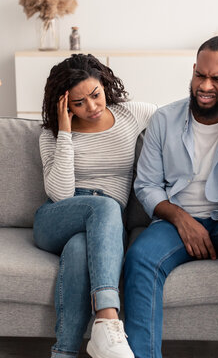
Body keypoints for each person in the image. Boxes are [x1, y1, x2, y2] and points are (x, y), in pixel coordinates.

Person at [124, 36, 218, 358]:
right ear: (193, 71)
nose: (204, 86)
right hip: (176, 220)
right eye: (199, 75)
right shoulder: (164, 120)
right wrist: (182, 220)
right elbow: (147, 186)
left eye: (217, 78)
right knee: (140, 258)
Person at [33, 53, 157, 358]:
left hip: (103, 226)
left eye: (95, 95)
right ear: (64, 105)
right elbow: (61, 194)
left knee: (78, 249)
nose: (91, 107)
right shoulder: (50, 135)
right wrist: (64, 131)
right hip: (57, 218)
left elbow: (182, 116)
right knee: (104, 207)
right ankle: (108, 319)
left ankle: (63, 352)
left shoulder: (131, 115)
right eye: (78, 103)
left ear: (105, 85)